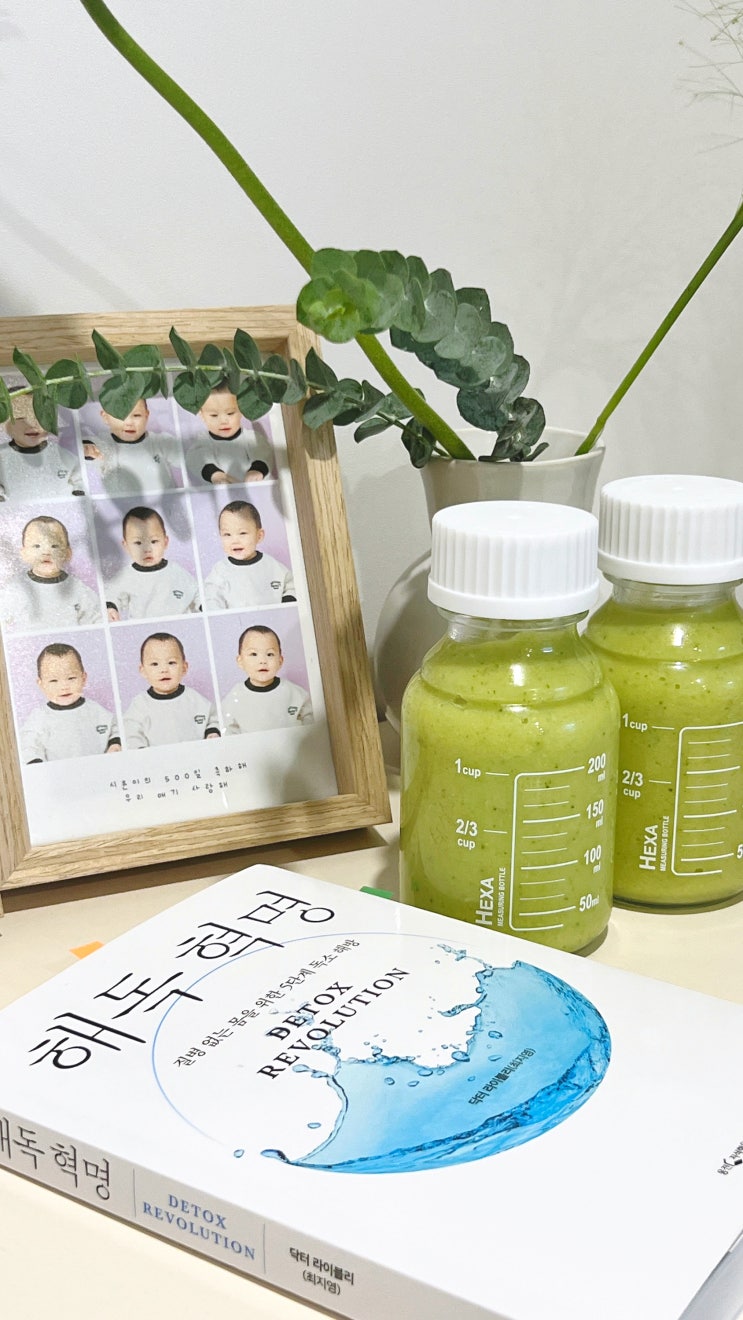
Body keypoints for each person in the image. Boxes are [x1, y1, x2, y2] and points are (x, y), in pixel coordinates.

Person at [21, 642, 120, 762]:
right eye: (53, 681)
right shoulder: (39, 717)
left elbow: (115, 728)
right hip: (59, 772)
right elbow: (29, 745)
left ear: (83, 678)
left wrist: (115, 744)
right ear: (41, 684)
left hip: (99, 768)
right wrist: (36, 762)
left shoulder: (95, 710)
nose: (64, 686)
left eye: (71, 678)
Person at [0, 515, 102, 632]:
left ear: (68, 554)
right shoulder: (16, 588)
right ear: (24, 553)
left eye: (54, 546)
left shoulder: (78, 589)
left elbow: (98, 620)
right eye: (37, 546)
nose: (46, 552)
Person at [123, 631, 220, 748]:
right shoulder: (140, 704)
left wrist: (212, 732)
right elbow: (130, 732)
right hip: (157, 758)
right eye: (155, 664)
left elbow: (213, 719)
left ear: (184, 668)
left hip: (195, 755)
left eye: (171, 663)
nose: (164, 669)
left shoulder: (194, 699)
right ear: (143, 670)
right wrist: (140, 750)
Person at [106, 506, 200, 620]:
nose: (147, 549)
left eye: (154, 541)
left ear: (165, 542)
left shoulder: (176, 571)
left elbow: (196, 592)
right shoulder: (126, 576)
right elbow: (112, 594)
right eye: (138, 543)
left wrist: (202, 605)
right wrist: (111, 608)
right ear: (126, 546)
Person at [221, 624, 312, 734]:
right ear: (240, 661)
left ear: (280, 661)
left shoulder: (295, 693)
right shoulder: (235, 696)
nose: (263, 661)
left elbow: (311, 723)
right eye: (253, 654)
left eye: (270, 654)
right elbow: (228, 729)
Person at [204, 500, 295, 610]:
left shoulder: (272, 565)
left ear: (259, 536)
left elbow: (291, 585)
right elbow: (210, 596)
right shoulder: (220, 570)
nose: (234, 540)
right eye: (227, 534)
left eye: (242, 533)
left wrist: (288, 600)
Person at [82, 398, 181, 496]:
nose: (129, 422)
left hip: (166, 501)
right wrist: (88, 448)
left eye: (136, 415)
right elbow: (92, 447)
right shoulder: (105, 443)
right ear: (105, 417)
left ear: (146, 415)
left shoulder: (159, 442)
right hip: (123, 503)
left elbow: (182, 455)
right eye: (120, 416)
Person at [0, 388, 84, 502]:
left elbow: (80, 483)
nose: (32, 424)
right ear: (4, 424)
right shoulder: (2, 457)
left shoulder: (65, 455)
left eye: (39, 417)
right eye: (21, 418)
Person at [185, 382, 273, 486]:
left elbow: (262, 451)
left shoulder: (250, 437)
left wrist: (258, 469)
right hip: (221, 492)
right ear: (202, 415)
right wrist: (214, 474)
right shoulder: (203, 441)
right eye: (214, 415)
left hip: (253, 490)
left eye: (230, 413)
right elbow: (197, 458)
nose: (223, 421)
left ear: (241, 410)